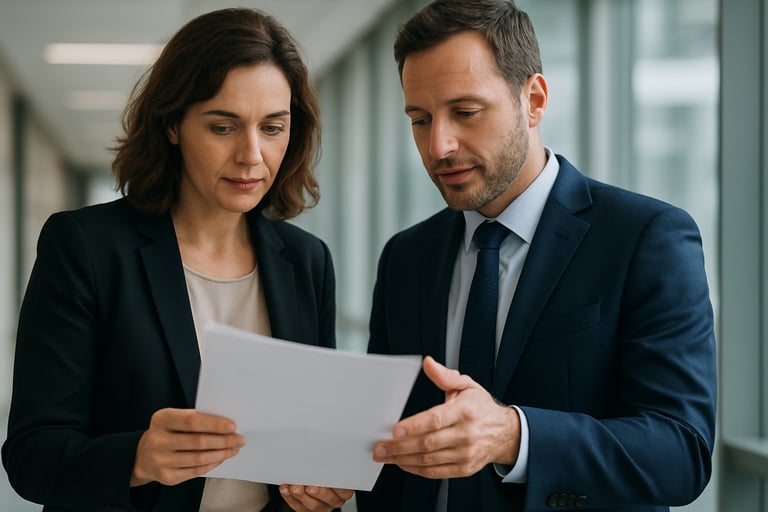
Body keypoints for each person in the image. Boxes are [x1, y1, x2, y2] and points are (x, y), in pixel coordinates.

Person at [356, 1, 717, 511]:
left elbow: (681, 453)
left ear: (534, 100)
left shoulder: (646, 238)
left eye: (465, 112)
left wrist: (512, 435)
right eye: (420, 119)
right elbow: (388, 444)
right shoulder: (405, 257)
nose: (438, 145)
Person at [2, 8, 352, 512]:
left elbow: (311, 440)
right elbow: (31, 456)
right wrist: (138, 458)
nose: (252, 155)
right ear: (172, 125)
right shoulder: (85, 247)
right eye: (223, 127)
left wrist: (320, 488)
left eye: (272, 127)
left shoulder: (307, 261)